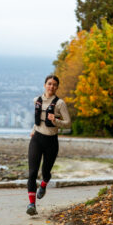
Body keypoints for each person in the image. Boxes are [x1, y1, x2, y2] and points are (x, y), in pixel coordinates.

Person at [26, 75, 71, 216]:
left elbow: (68, 123)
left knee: (46, 172)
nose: (51, 86)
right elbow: (38, 119)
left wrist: (56, 120)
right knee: (32, 172)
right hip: (37, 139)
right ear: (45, 85)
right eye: (49, 83)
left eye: (54, 85)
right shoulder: (36, 100)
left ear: (57, 87)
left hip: (51, 141)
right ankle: (32, 204)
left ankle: (44, 185)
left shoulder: (60, 104)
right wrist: (33, 131)